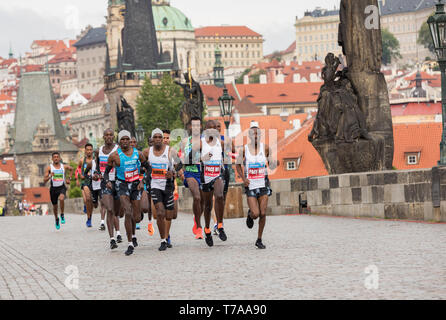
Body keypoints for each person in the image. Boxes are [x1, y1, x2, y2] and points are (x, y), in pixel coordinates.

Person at [104, 130, 150, 256]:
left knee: (136, 217)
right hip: (122, 184)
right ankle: (130, 243)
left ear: (130, 140)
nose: (124, 141)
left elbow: (148, 167)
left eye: (126, 139)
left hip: (135, 185)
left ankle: (135, 227)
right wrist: (107, 181)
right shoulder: (114, 156)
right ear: (119, 141)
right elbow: (106, 171)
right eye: (122, 139)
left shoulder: (138, 154)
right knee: (127, 212)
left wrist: (143, 181)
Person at [236, 121, 277, 249]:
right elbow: (237, 165)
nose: (256, 136)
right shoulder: (244, 149)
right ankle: (250, 215)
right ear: (249, 135)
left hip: (263, 182)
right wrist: (244, 179)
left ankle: (259, 239)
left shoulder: (265, 148)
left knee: (263, 213)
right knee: (256, 213)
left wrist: (274, 163)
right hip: (251, 185)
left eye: (258, 133)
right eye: (253, 134)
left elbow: (271, 163)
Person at [144, 129, 178, 251]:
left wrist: (172, 172)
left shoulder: (170, 151)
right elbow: (141, 164)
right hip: (155, 185)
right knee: (159, 212)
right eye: (156, 137)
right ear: (152, 139)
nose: (158, 139)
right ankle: (163, 240)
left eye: (160, 137)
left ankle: (166, 235)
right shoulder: (147, 152)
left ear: (163, 138)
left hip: (168, 185)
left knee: (169, 215)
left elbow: (179, 165)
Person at [200, 120, 227, 247]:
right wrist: (207, 156)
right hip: (206, 176)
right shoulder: (201, 143)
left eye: (214, 128)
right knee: (207, 205)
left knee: (220, 195)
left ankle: (220, 225)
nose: (213, 130)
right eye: (210, 128)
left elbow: (232, 149)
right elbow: (193, 158)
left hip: (218, 174)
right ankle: (207, 229)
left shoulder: (220, 142)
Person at [96, 129, 122, 249]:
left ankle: (118, 232)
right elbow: (97, 167)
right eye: (106, 135)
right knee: (109, 209)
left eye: (111, 135)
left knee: (117, 211)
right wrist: (96, 174)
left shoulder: (118, 149)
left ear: (113, 136)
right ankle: (112, 239)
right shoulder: (99, 151)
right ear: (103, 137)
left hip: (117, 182)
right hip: (105, 183)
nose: (109, 137)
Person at [179, 117, 204, 239]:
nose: (195, 128)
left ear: (201, 126)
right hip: (190, 172)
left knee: (203, 203)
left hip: (203, 173)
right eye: (193, 125)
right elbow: (178, 157)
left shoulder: (205, 141)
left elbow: (211, 154)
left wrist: (205, 158)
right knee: (197, 197)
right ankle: (199, 228)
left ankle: (197, 216)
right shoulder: (185, 142)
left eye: (197, 125)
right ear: (190, 127)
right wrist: (180, 171)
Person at [43, 152, 73, 230]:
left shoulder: (63, 166)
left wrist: (69, 179)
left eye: (57, 157)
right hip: (53, 188)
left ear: (59, 158)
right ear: (52, 159)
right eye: (54, 157)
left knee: (62, 198)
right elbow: (44, 180)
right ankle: (56, 219)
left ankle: (62, 214)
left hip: (61, 187)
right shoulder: (49, 168)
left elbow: (71, 169)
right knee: (55, 206)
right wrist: (50, 176)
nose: (56, 158)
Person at [76, 143, 96, 228]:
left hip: (94, 182)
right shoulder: (82, 160)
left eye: (90, 150)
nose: (89, 151)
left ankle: (89, 214)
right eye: (87, 150)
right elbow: (78, 169)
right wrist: (78, 177)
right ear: (85, 151)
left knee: (91, 202)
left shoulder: (95, 160)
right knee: (87, 198)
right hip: (85, 182)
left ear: (92, 151)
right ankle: (89, 219)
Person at [141, 137, 155, 236]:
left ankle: (153, 221)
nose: (151, 144)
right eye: (150, 142)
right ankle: (149, 222)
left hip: (159, 180)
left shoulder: (160, 151)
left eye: (152, 142)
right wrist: (145, 168)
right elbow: (142, 165)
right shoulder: (145, 152)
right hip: (148, 179)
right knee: (148, 205)